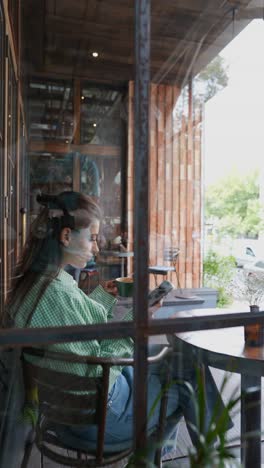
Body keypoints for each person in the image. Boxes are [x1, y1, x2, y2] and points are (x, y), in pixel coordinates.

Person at [4, 191, 231, 458]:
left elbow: (77, 330)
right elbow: (100, 369)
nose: (97, 248)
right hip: (96, 419)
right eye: (92, 238)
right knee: (186, 379)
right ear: (66, 237)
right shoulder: (57, 293)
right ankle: (215, 455)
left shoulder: (39, 283)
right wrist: (132, 324)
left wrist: (102, 296)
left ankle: (161, 456)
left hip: (60, 410)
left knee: (178, 362)